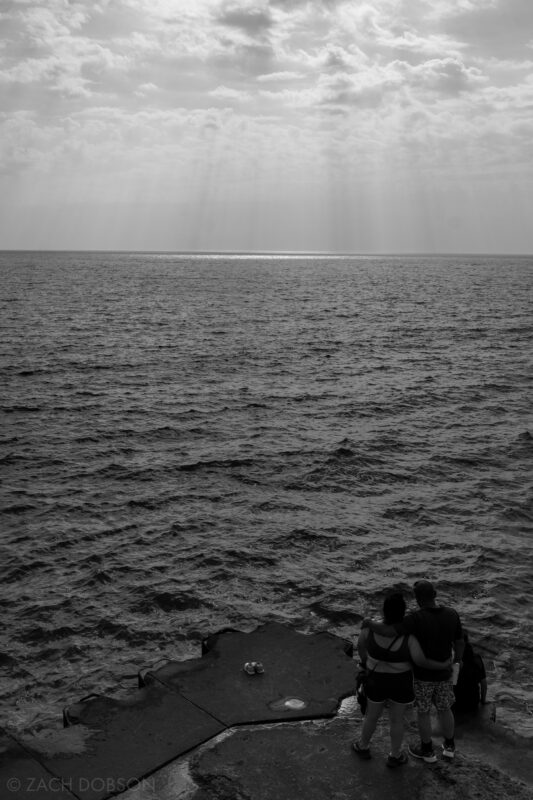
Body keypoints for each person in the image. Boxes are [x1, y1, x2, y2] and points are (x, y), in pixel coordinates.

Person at [365, 579, 464, 763]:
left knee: (424, 712)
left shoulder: (415, 619)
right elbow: (459, 642)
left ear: (417, 599)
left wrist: (369, 623)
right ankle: (449, 746)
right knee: (445, 708)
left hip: (423, 676)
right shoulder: (452, 614)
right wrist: (457, 660)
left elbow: (389, 632)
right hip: (445, 674)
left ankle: (427, 751)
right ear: (435, 595)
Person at [453, 630, 488, 713]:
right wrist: (483, 701)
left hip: (457, 704)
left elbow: (452, 686)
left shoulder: (455, 661)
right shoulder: (477, 658)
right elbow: (483, 682)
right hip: (473, 702)